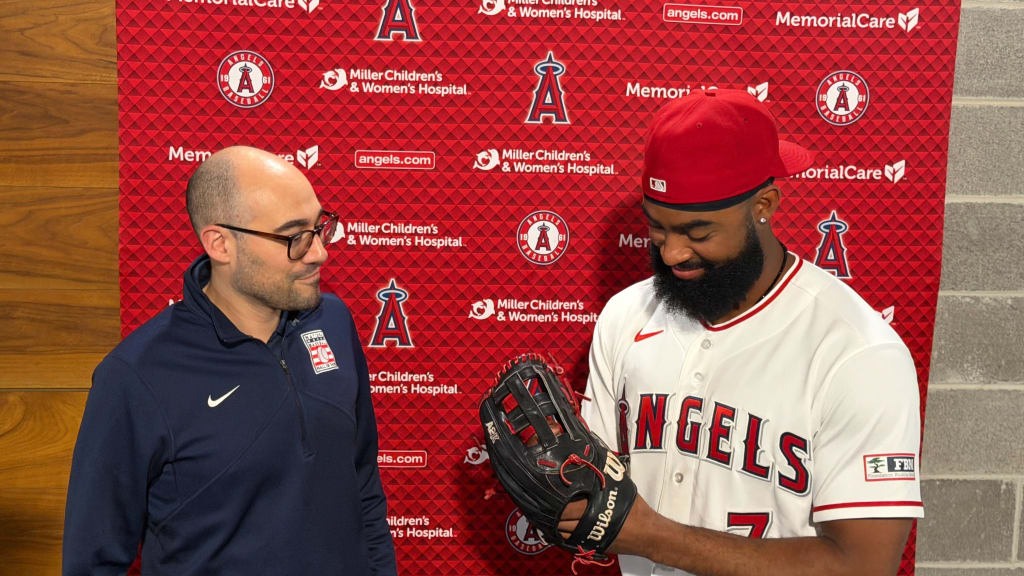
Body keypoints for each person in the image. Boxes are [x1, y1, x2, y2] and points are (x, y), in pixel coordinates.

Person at [566, 89, 923, 575]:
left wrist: (651, 537)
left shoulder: (857, 351)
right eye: (657, 228)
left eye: (697, 233)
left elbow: (861, 564)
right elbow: (596, 485)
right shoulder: (626, 314)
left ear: (765, 205)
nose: (671, 254)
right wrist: (554, 485)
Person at [63, 146, 397, 575]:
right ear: (220, 243)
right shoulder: (135, 376)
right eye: (293, 236)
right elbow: (93, 561)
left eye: (320, 227)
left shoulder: (333, 321)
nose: (318, 252)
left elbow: (363, 483)